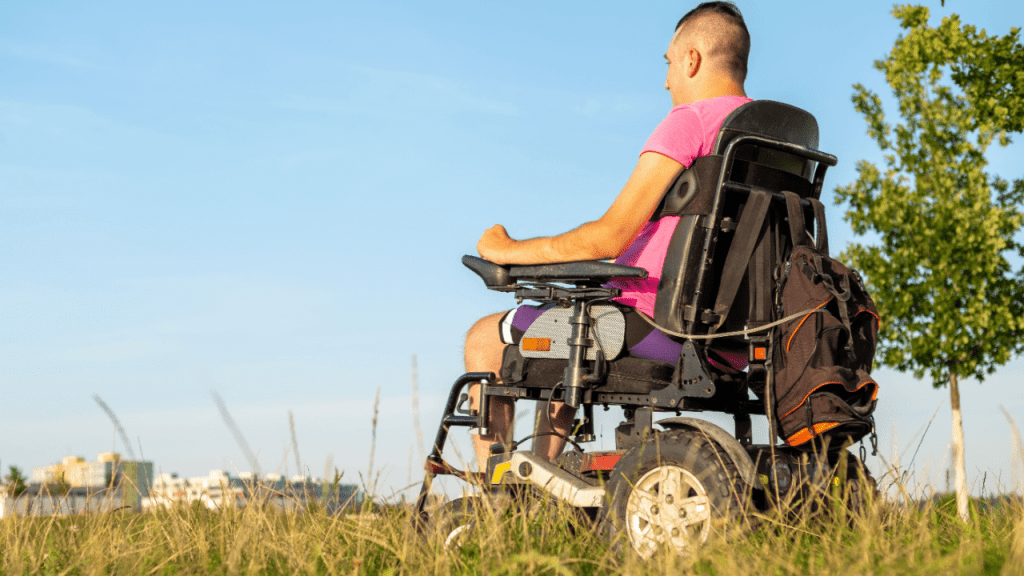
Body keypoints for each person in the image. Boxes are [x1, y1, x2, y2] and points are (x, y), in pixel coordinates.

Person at [466, 2, 753, 470]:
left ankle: (497, 498)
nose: (665, 81)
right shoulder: (771, 136)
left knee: (485, 339)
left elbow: (608, 238)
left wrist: (508, 251)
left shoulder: (692, 122)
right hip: (735, 341)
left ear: (692, 59)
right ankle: (543, 473)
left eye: (667, 63)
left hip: (656, 328)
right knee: (569, 323)